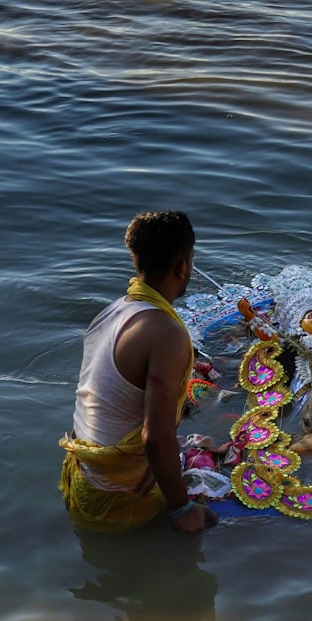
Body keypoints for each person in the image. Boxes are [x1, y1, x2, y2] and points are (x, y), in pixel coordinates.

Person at [59, 210, 218, 533]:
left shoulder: (111, 313)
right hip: (122, 503)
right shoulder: (166, 333)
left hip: (83, 484)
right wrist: (182, 510)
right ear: (183, 267)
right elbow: (156, 439)